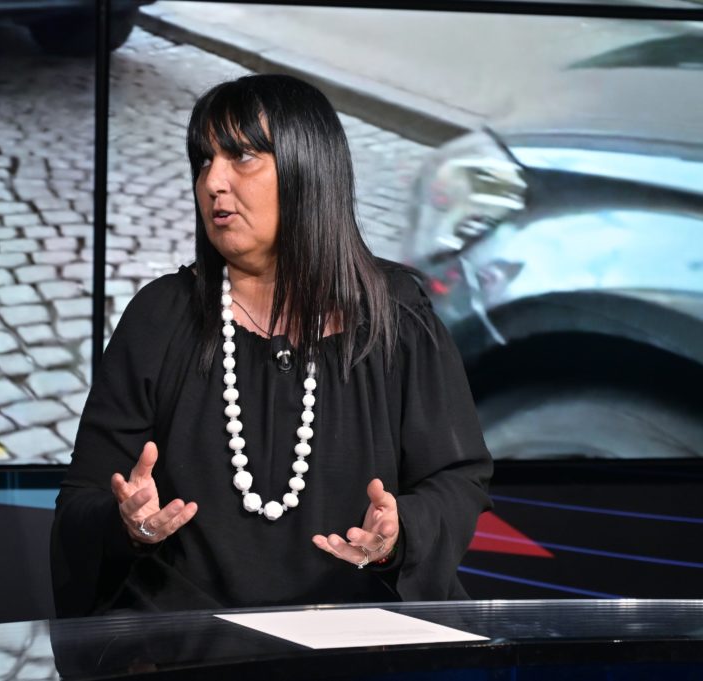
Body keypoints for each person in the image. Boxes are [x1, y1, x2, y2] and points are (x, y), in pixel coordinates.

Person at [51, 74, 492, 617]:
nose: (213, 181)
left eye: (241, 156)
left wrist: (398, 535)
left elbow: (456, 479)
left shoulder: (395, 314)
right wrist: (128, 525)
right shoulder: (160, 317)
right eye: (203, 161)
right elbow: (82, 502)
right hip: (187, 642)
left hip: (361, 636)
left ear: (308, 169)